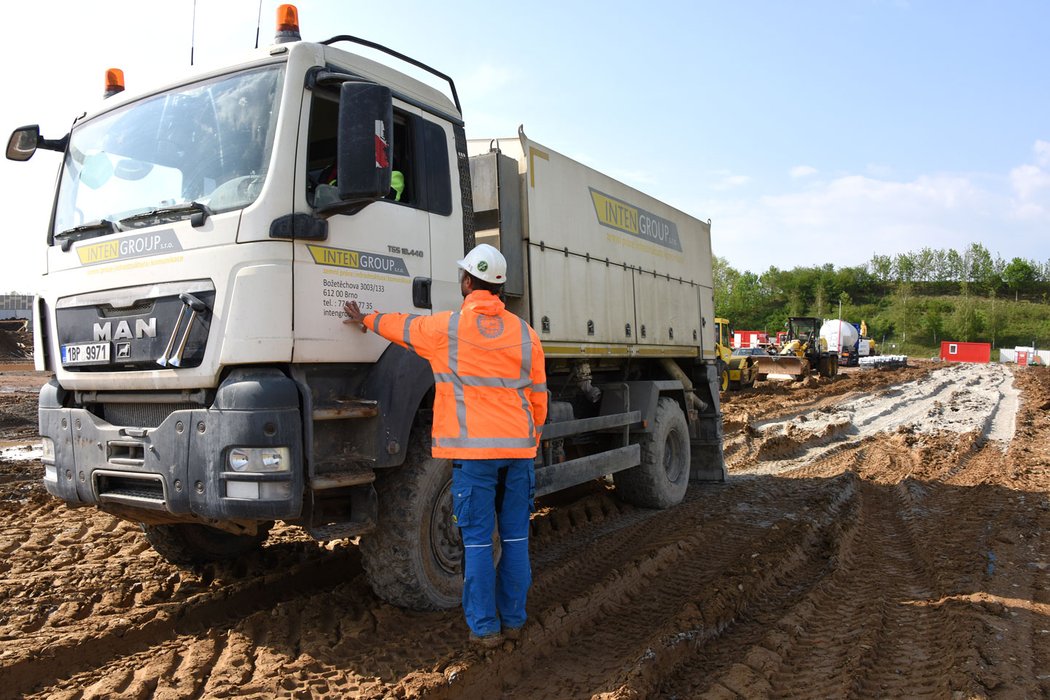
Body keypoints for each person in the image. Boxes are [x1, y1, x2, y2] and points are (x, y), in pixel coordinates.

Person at [343, 243, 547, 649]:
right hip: (519, 454)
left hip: (474, 457)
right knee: (516, 542)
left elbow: (400, 326)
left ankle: (485, 629)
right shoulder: (526, 335)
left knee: (476, 546)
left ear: (467, 282)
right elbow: (539, 397)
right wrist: (530, 441)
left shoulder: (446, 329)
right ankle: (515, 621)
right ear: (501, 289)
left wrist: (365, 317)